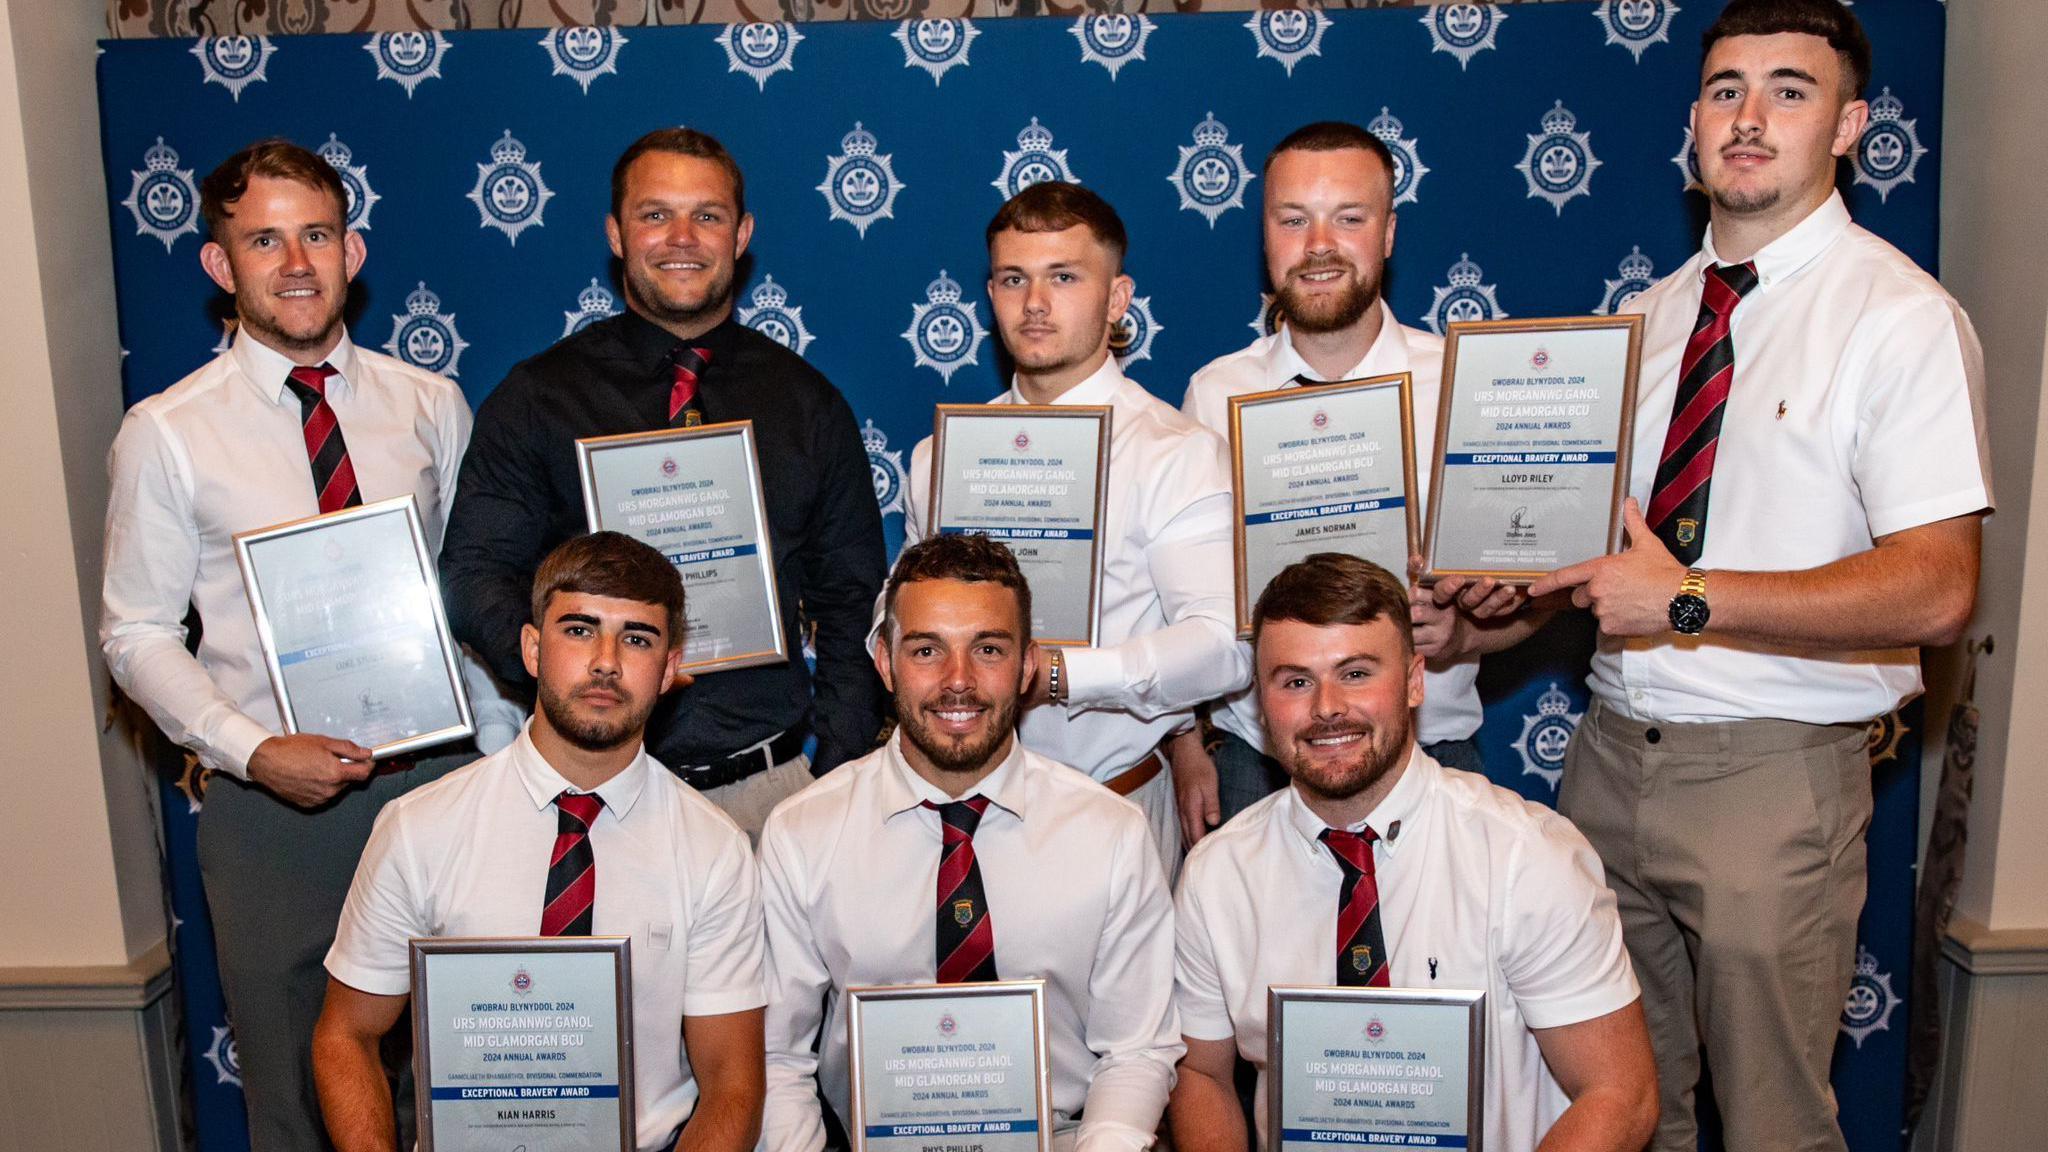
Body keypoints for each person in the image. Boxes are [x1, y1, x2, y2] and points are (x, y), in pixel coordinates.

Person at [1521, 2, 1991, 1148]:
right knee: (1630, 1110)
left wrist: (1685, 597)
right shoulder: (1646, 315)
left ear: (1847, 127)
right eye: (1725, 89)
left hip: (1769, 780)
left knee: (1774, 1122)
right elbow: (1607, 555)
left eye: (1788, 91)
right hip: (1606, 756)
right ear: (1690, 120)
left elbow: (1936, 588)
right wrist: (1497, 595)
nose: (1748, 117)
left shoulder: (1899, 318)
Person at [99, 138, 485, 1151]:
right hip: (274, 814)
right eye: (263, 241)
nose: (297, 263)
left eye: (316, 234)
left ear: (353, 251)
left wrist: (493, 763)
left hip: (435, 787)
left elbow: (467, 604)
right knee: (297, 1098)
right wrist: (251, 750)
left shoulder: (429, 405)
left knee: (468, 1084)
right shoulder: (169, 432)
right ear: (220, 268)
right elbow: (133, 632)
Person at [440, 127, 888, 836]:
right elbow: (474, 574)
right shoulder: (538, 399)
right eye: (655, 215)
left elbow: (853, 599)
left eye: (706, 216)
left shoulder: (809, 405)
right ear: (617, 234)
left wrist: (831, 778)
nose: (682, 236)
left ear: (741, 234)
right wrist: (576, 677)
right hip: (585, 789)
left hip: (767, 797)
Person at [1169, 554, 1657, 1152]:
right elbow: (1200, 1074)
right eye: (1295, 681)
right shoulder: (1218, 876)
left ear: (1414, 681)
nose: (1327, 707)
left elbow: (1619, 1094)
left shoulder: (1524, 857)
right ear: (1260, 704)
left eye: (1355, 673)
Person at [314, 532, 766, 1152]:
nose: (606, 660)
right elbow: (347, 1036)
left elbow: (732, 1084)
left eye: (637, 638)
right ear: (531, 648)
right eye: (579, 630)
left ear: (668, 669)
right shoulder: (419, 829)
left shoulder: (713, 850)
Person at [762, 534, 1181, 1152]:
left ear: (1028, 665)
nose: (958, 681)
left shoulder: (1110, 832)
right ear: (883, 661)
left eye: (988, 649)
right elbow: (777, 1056)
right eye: (927, 649)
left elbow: (1137, 1049)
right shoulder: (802, 833)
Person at [1173, 121, 1526, 843]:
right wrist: (1183, 741)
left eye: (1349, 219)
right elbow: (1180, 597)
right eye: (1293, 220)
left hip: (1433, 753)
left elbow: (1551, 595)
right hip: (1259, 763)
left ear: (1389, 233)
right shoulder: (1214, 394)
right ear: (1265, 235)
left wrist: (1464, 635)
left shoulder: (1464, 385)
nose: (1319, 246)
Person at [898, 181, 1248, 874]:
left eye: (1063, 277)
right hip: (953, 814)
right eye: (1012, 279)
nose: (1034, 303)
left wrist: (1059, 674)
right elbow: (902, 610)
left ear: (1117, 299)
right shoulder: (941, 456)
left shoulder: (1175, 451)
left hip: (1112, 807)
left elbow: (1222, 648)